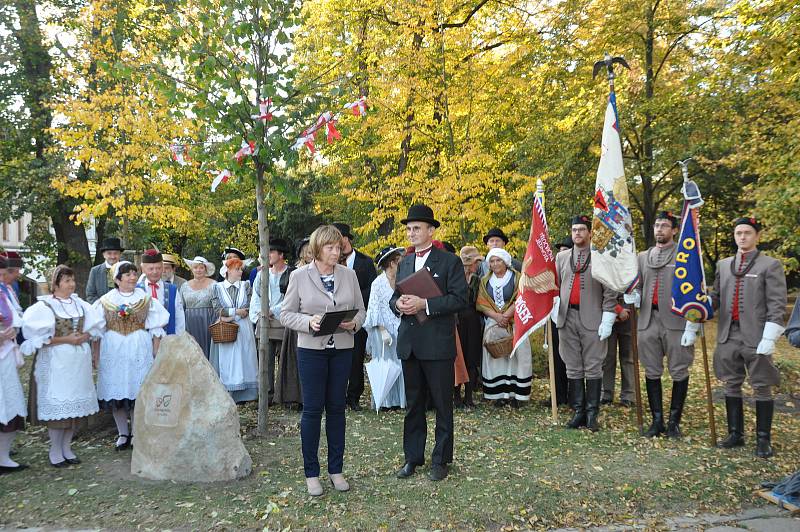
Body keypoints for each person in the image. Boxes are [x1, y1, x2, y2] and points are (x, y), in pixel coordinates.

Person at [280, 225, 366, 496]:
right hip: (311, 351)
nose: (336, 252)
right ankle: (311, 473)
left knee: (337, 409)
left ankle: (336, 470)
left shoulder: (349, 275)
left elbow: (362, 311)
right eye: (330, 247)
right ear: (317, 249)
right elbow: (286, 314)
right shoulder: (299, 276)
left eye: (338, 247)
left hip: (342, 348)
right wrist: (309, 321)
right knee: (313, 411)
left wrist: (354, 324)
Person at [390, 204, 467, 482]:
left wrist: (426, 303)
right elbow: (393, 297)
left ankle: (441, 459)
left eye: (417, 228)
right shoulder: (404, 263)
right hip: (410, 343)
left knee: (443, 405)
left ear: (431, 231)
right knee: (413, 404)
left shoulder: (450, 262)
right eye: (409, 229)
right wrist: (398, 303)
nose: (411, 233)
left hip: (437, 344)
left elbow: (461, 299)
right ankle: (412, 457)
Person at [709, 217, 787, 458]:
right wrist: (698, 307)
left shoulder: (770, 265)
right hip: (728, 333)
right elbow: (716, 297)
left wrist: (770, 336)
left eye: (747, 233)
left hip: (756, 335)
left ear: (757, 236)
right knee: (731, 383)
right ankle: (735, 434)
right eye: (738, 233)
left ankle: (763, 439)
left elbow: (777, 303)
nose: (742, 237)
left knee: (761, 385)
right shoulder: (723, 265)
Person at [21, 265, 102, 467]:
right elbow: (38, 339)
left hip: (77, 363)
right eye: (66, 280)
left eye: (72, 280)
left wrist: (84, 336)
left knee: (75, 408)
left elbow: (95, 328)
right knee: (59, 408)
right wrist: (66, 339)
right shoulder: (44, 307)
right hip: (56, 362)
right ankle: (55, 450)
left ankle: (67, 447)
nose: (71, 284)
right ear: (56, 284)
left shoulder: (81, 305)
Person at [634, 211, 699, 437]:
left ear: (674, 230)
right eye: (657, 225)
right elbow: (638, 283)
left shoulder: (685, 256)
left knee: (679, 370)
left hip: (676, 321)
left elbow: (694, 290)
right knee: (651, 369)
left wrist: (693, 324)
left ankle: (674, 422)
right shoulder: (643, 256)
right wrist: (634, 295)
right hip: (647, 320)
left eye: (664, 226)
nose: (659, 229)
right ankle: (657, 420)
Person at [93, 261, 169, 450]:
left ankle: (136, 432)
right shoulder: (105, 300)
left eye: (134, 274)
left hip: (138, 348)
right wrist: (95, 355)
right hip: (113, 351)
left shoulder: (145, 299)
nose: (132, 277)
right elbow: (96, 331)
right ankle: (122, 433)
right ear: (117, 279)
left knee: (138, 392)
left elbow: (156, 326)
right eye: (127, 275)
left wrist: (156, 352)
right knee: (116, 393)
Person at [554, 215, 620, 432]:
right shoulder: (562, 258)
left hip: (593, 317)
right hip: (567, 317)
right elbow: (555, 286)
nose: (577, 233)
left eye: (582, 229)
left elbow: (610, 289)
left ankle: (592, 413)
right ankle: (578, 411)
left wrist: (608, 316)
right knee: (572, 365)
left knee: (593, 365)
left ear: (590, 232)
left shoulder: (601, 256)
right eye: (574, 230)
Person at [476, 248, 533, 408]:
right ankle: (499, 394)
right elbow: (481, 302)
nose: (495, 264)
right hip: (494, 324)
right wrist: (497, 317)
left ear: (505, 261)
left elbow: (523, 296)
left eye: (498, 260)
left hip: (515, 322)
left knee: (518, 357)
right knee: (497, 358)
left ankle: (518, 394)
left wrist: (507, 315)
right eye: (492, 261)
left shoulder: (517, 278)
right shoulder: (485, 280)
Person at [333, 223, 377, 411]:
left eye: (338, 238)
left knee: (356, 358)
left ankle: (354, 396)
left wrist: (354, 297)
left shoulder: (365, 262)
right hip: (335, 316)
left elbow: (372, 289)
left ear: (346, 239)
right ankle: (337, 396)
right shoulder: (330, 262)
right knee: (336, 358)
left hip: (357, 316)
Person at [250, 238, 294, 405]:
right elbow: (256, 297)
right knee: (265, 360)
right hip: (265, 322)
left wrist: (273, 310)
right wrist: (261, 312)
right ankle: (267, 396)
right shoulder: (262, 275)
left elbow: (292, 298)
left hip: (284, 322)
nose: (267, 255)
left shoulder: (292, 273)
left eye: (271, 252)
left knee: (285, 360)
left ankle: (286, 395)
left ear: (281, 254)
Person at [210, 257, 259, 403]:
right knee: (228, 359)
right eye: (237, 269)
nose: (240, 272)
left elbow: (249, 305)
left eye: (241, 269)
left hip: (244, 327)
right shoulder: (217, 288)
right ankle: (229, 391)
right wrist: (236, 312)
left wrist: (236, 312)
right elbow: (218, 309)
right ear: (228, 271)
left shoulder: (246, 286)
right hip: (226, 328)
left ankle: (247, 395)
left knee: (245, 357)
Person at [363, 246, 406, 410]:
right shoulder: (377, 283)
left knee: (400, 363)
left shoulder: (402, 280)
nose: (400, 264)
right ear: (391, 263)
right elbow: (374, 310)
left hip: (401, 327)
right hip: (382, 330)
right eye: (398, 261)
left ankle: (400, 400)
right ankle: (386, 401)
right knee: (386, 364)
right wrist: (383, 331)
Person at [274, 238, 311, 408]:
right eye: (307, 251)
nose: (310, 253)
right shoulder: (293, 272)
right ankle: (294, 398)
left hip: (313, 321)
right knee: (294, 361)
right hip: (296, 321)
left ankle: (310, 397)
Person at [0, 256, 27, 474]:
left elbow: (16, 319)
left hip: (6, 355)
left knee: (9, 401)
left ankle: (3, 456)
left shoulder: (5, 292)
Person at [545, 237, 573, 407]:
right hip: (554, 318)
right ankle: (558, 394)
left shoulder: (576, 269)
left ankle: (574, 396)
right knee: (556, 358)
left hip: (573, 318)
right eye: (560, 250)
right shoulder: (552, 271)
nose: (562, 253)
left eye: (566, 250)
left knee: (571, 359)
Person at [456, 246, 484, 408]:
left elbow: (478, 301)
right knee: (457, 356)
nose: (478, 265)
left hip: (473, 320)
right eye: (475, 262)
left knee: (471, 358)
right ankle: (456, 396)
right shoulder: (454, 278)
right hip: (457, 320)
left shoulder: (477, 279)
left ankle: (469, 396)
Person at [138, 249, 185, 335]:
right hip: (143, 341)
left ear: (162, 268)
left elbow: (179, 318)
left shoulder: (172, 290)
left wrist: (178, 339)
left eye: (158, 268)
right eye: (151, 269)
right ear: (143, 269)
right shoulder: (136, 290)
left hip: (168, 341)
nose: (155, 272)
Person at [180, 256, 216, 359]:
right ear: (192, 269)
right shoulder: (184, 286)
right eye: (195, 267)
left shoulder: (214, 285)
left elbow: (218, 306)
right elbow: (181, 307)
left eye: (201, 267)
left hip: (208, 322)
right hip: (190, 323)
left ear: (205, 269)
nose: (198, 270)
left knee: (208, 352)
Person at [601, 295, 634, 407]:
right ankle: (606, 393)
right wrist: (618, 309)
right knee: (608, 356)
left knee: (628, 356)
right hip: (608, 309)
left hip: (630, 308)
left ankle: (628, 395)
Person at [85, 237, 124, 304]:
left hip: (123, 311)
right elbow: (90, 295)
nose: (113, 256)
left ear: (120, 254)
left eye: (115, 253)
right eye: (109, 253)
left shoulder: (127, 269)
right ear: (104, 255)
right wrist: (104, 307)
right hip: (100, 310)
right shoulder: (95, 271)